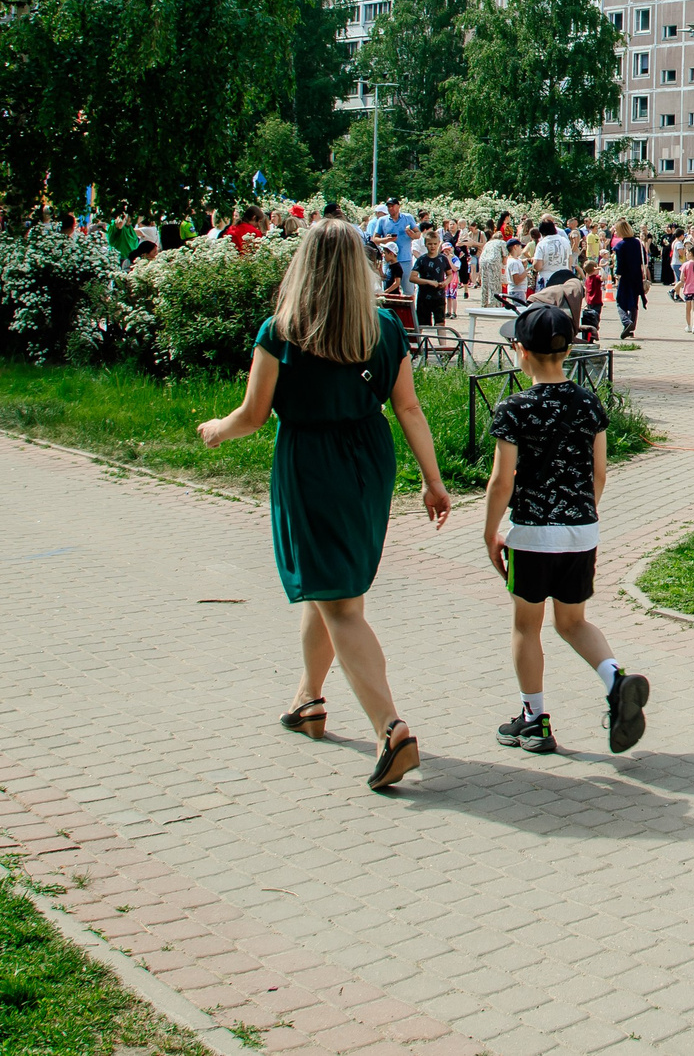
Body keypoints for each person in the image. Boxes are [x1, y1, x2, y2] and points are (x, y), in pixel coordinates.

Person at [196, 217, 450, 793]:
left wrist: (218, 429)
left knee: (340, 605)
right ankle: (309, 698)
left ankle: (393, 730)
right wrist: (433, 481)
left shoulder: (280, 331)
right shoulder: (383, 328)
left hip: (311, 464)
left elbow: (254, 415)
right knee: (331, 586)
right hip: (369, 459)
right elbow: (408, 408)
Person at [483, 305, 650, 755]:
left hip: (532, 534)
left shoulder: (514, 408)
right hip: (581, 532)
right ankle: (615, 679)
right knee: (573, 622)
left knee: (527, 626)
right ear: (569, 349)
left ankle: (534, 721)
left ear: (520, 351)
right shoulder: (588, 403)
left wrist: (489, 532)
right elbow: (600, 472)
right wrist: (580, 516)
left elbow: (502, 481)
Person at [367, 199, 417, 296]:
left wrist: (412, 234)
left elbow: (418, 234)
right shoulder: (382, 220)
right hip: (389, 260)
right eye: (389, 206)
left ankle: (410, 310)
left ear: (398, 206)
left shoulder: (408, 218)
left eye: (393, 206)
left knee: (408, 291)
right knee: (388, 287)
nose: (391, 208)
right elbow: (375, 239)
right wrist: (386, 239)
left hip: (405, 259)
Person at [612, 222, 647, 340]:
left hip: (626, 277)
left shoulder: (620, 245)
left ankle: (627, 322)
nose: (615, 233)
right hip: (636, 276)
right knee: (633, 302)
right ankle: (631, 329)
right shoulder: (637, 243)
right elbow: (644, 259)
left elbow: (620, 264)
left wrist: (617, 274)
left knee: (620, 301)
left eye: (616, 231)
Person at [413, 233, 452, 329]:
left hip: (439, 297)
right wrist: (428, 282)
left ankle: (443, 344)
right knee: (421, 324)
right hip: (424, 297)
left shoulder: (443, 259)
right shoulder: (421, 260)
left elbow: (450, 274)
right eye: (430, 244)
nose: (432, 246)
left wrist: (445, 283)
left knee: (440, 324)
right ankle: (420, 343)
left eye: (435, 244)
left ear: (439, 243)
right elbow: (412, 277)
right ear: (425, 244)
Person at [534, 217, 575, 289]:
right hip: (563, 278)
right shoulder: (565, 241)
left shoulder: (542, 244)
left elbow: (538, 266)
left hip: (547, 279)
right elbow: (570, 261)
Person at [677, 243, 694, 333]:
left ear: (690, 253)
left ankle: (688, 326)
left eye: (687, 253)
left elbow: (681, 279)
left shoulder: (685, 265)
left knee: (687, 309)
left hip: (687, 289)